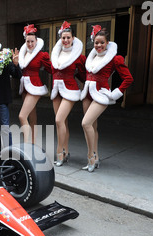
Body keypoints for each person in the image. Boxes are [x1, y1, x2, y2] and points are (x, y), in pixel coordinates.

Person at [80, 26, 133, 172]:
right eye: (96, 43)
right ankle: (96, 158)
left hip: (101, 94)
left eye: (102, 42)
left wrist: (115, 93)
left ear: (107, 43)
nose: (99, 45)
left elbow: (128, 78)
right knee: (92, 127)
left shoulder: (114, 58)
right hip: (87, 94)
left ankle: (91, 156)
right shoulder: (92, 57)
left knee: (85, 123)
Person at [51, 21, 86, 166]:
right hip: (56, 90)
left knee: (59, 120)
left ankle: (60, 153)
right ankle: (65, 151)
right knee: (62, 122)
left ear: (73, 39)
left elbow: (84, 75)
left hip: (70, 90)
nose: (65, 40)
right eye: (63, 38)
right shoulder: (55, 53)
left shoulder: (78, 56)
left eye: (68, 38)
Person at [18, 24, 52, 144]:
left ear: (36, 41)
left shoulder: (42, 55)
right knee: (32, 117)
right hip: (24, 87)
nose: (30, 44)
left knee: (22, 116)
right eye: (28, 41)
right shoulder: (22, 54)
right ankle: (33, 144)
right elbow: (19, 70)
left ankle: (27, 146)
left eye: (32, 41)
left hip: (35, 86)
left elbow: (52, 69)